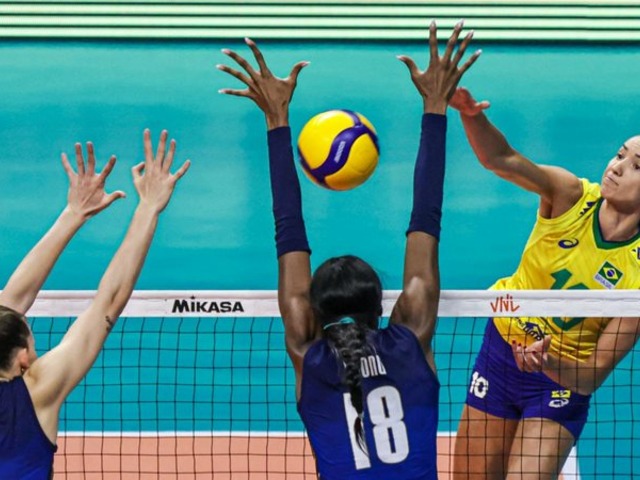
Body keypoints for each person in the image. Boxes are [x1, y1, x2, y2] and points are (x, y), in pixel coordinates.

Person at [219, 22, 480, 479]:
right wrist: (435, 108)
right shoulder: (410, 338)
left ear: (313, 310)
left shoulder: (310, 354)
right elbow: (426, 221)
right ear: (382, 305)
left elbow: (288, 232)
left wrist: (277, 121)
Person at [450, 86, 640, 479]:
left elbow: (594, 372)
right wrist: (471, 114)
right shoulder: (569, 196)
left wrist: (549, 362)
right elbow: (502, 159)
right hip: (501, 354)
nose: (617, 167)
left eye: (637, 166)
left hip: (560, 384)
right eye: (620, 154)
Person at [0, 130, 190, 478]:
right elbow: (109, 301)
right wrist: (148, 207)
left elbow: (8, 305)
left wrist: (73, 214)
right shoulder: (38, 391)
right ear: (24, 358)